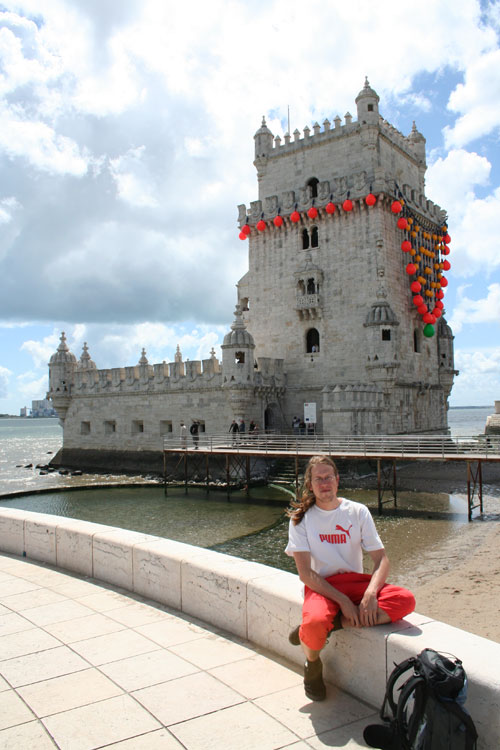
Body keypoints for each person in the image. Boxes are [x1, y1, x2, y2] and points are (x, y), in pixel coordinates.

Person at [285, 455, 415, 702]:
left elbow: (381, 559)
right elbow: (306, 574)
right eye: (318, 479)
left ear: (337, 480)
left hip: (355, 582)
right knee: (314, 623)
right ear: (310, 484)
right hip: (321, 586)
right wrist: (344, 602)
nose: (325, 483)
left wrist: (371, 593)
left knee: (405, 600)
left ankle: (334, 624)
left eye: (329, 477)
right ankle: (312, 666)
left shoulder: (357, 511)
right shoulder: (301, 519)